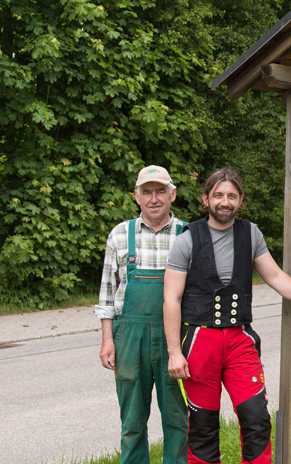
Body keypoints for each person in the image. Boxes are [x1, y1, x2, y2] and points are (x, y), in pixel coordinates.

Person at [163, 168, 291, 464]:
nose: (224, 202)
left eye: (231, 195)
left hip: (240, 340)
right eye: (218, 195)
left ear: (240, 200)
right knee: (202, 427)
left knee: (257, 418)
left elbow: (276, 276)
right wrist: (174, 352)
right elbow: (171, 299)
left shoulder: (250, 233)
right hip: (199, 342)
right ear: (205, 199)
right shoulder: (186, 240)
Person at [96, 165, 188, 464]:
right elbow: (107, 294)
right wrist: (107, 340)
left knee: (177, 418)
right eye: (146, 192)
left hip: (175, 339)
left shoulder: (188, 234)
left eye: (160, 191)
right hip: (129, 338)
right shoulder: (121, 234)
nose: (154, 198)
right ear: (136, 197)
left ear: (172, 194)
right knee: (132, 422)